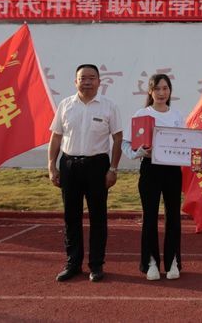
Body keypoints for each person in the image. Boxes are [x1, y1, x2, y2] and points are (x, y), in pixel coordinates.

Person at [48, 64, 123, 283]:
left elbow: (118, 139)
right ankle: (72, 263)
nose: (87, 82)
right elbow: (56, 137)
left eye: (92, 78)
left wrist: (113, 169)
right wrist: (52, 165)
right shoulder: (65, 105)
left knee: (98, 217)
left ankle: (96, 265)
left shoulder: (109, 106)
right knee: (71, 217)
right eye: (83, 78)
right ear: (75, 82)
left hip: (98, 166)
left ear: (100, 82)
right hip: (69, 165)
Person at [122, 74, 185, 281]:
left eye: (165, 88)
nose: (161, 93)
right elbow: (127, 144)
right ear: (150, 92)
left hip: (172, 170)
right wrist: (139, 152)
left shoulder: (177, 115)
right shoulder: (142, 114)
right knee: (150, 217)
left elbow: (186, 143)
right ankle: (150, 263)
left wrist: (196, 160)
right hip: (150, 169)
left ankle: (173, 261)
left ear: (170, 91)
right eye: (157, 89)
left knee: (173, 217)